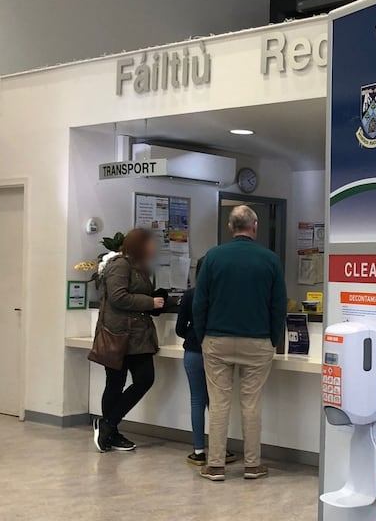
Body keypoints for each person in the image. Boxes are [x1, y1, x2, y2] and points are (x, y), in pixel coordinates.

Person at [193, 205, 286, 482]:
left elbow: (200, 303)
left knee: (219, 403)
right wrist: (272, 338)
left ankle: (216, 466)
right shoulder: (270, 260)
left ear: (230, 227)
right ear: (254, 226)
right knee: (251, 403)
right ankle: (252, 465)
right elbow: (278, 305)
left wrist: (203, 336)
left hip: (217, 340)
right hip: (257, 342)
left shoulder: (213, 257)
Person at [92, 228, 164, 452]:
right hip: (119, 335)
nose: (154, 248)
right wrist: (149, 303)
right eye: (151, 244)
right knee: (116, 383)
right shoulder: (120, 265)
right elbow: (118, 296)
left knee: (144, 379)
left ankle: (108, 425)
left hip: (138, 336)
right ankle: (109, 428)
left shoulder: (139, 267)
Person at [175, 257, 238, 467]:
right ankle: (219, 450)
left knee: (197, 400)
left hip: (193, 352)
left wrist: (193, 336)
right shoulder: (224, 296)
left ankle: (199, 451)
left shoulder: (189, 295)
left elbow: (179, 329)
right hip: (218, 353)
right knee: (217, 402)